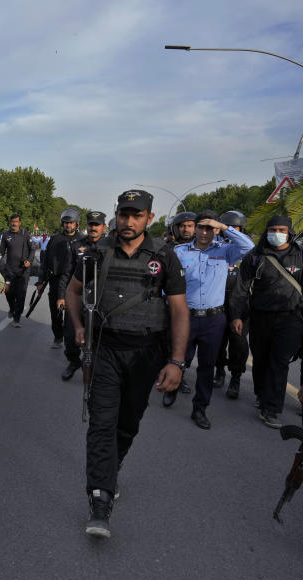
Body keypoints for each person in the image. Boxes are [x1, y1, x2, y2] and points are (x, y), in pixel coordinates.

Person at [65, 189, 188, 539]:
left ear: (149, 218)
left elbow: (179, 309)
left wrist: (176, 362)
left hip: (146, 352)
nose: (128, 221)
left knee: (128, 421)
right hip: (104, 347)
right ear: (115, 215)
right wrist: (77, 327)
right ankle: (100, 501)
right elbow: (73, 291)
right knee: (101, 421)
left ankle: (111, 466)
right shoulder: (96, 253)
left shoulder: (164, 256)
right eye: (123, 214)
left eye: (136, 215)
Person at [163, 210, 254, 429]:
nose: (204, 232)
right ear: (194, 228)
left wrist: (223, 227)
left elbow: (249, 247)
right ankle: (172, 389)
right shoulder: (179, 251)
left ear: (215, 230)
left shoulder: (226, 251)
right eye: (200, 227)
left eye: (209, 228)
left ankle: (200, 408)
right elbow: (169, 281)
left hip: (214, 319)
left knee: (207, 366)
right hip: (186, 316)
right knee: (179, 359)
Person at [229, 214, 303, 428]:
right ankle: (261, 394)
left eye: (281, 230)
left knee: (279, 362)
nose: (277, 234)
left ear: (289, 232)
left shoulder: (299, 256)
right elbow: (241, 288)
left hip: (291, 318)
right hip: (260, 317)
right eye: (273, 230)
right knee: (261, 360)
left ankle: (271, 408)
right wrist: (236, 315)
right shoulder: (256, 256)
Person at [58, 211, 107, 381]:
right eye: (91, 224)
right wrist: (61, 295)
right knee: (71, 336)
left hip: (100, 300)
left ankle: (97, 370)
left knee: (98, 339)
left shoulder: (110, 247)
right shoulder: (76, 245)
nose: (93, 228)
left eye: (97, 225)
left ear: (103, 227)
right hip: (77, 297)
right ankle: (73, 361)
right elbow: (66, 272)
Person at [213, 211, 251, 399]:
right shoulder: (217, 246)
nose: (230, 232)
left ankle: (235, 377)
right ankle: (219, 371)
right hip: (219, 303)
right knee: (218, 343)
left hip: (241, 306)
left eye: (234, 228)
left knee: (238, 344)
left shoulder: (250, 249)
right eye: (226, 228)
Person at [37, 209, 84, 348]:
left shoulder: (82, 240)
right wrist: (40, 281)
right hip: (56, 280)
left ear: (76, 224)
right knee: (56, 311)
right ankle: (58, 337)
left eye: (71, 223)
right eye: (65, 223)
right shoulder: (55, 239)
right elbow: (45, 262)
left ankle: (71, 337)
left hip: (75, 281)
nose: (68, 225)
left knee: (72, 313)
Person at [0, 213, 34, 327]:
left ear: (20, 223)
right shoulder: (6, 234)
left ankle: (17, 318)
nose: (14, 223)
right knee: (9, 293)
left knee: (21, 295)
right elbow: (1, 252)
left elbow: (32, 250)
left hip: (23, 271)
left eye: (16, 221)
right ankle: (12, 308)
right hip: (9, 270)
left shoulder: (25, 234)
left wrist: (29, 260)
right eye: (12, 221)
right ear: (10, 222)